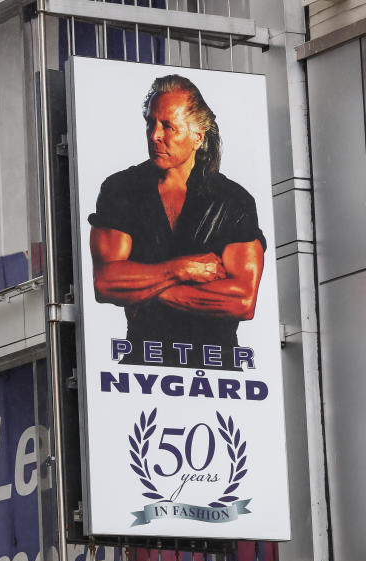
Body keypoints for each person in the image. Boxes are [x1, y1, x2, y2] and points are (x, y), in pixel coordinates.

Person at [89, 75, 265, 369]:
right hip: (142, 373)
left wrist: (148, 291)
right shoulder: (121, 189)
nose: (155, 135)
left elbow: (243, 301)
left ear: (198, 136)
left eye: (168, 126)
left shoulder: (233, 200)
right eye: (150, 123)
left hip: (220, 378)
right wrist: (182, 269)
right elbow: (106, 282)